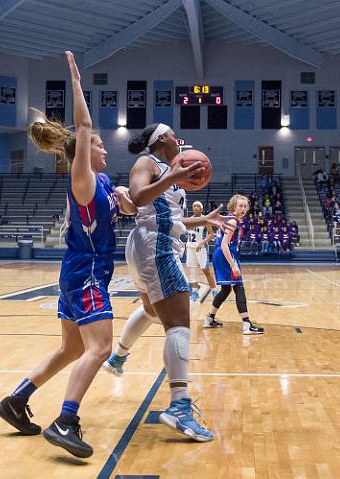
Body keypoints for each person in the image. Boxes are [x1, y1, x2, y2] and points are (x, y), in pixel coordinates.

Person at [0, 51, 135, 458]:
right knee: (101, 348)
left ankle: (16, 400)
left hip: (80, 271)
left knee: (72, 348)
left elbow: (123, 206)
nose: (105, 148)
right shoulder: (82, 178)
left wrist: (126, 198)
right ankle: (65, 420)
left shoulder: (104, 182)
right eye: (99, 144)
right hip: (86, 270)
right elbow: (85, 124)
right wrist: (75, 80)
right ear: (83, 153)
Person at [102, 122, 226, 443]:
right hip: (155, 245)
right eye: (174, 136)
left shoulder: (170, 176)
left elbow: (170, 217)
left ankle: (118, 357)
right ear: (161, 140)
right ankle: (179, 406)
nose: (180, 142)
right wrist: (174, 177)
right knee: (179, 325)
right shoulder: (147, 163)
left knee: (153, 312)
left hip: (153, 242)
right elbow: (138, 196)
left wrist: (205, 219)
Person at [205, 194, 264, 334]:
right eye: (240, 206)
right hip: (225, 255)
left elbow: (209, 223)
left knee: (226, 290)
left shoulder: (228, 218)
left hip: (220, 254)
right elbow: (225, 245)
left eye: (245, 206)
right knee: (239, 286)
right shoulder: (232, 221)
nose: (243, 208)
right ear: (233, 207)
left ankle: (209, 318)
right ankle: (246, 324)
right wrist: (233, 265)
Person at [185, 200, 217, 300]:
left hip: (201, 248)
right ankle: (194, 292)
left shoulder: (205, 220)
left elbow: (212, 234)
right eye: (194, 206)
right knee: (192, 270)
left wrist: (202, 242)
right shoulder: (188, 220)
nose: (195, 208)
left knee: (206, 270)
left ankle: (214, 290)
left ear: (201, 209)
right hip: (190, 248)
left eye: (198, 206)